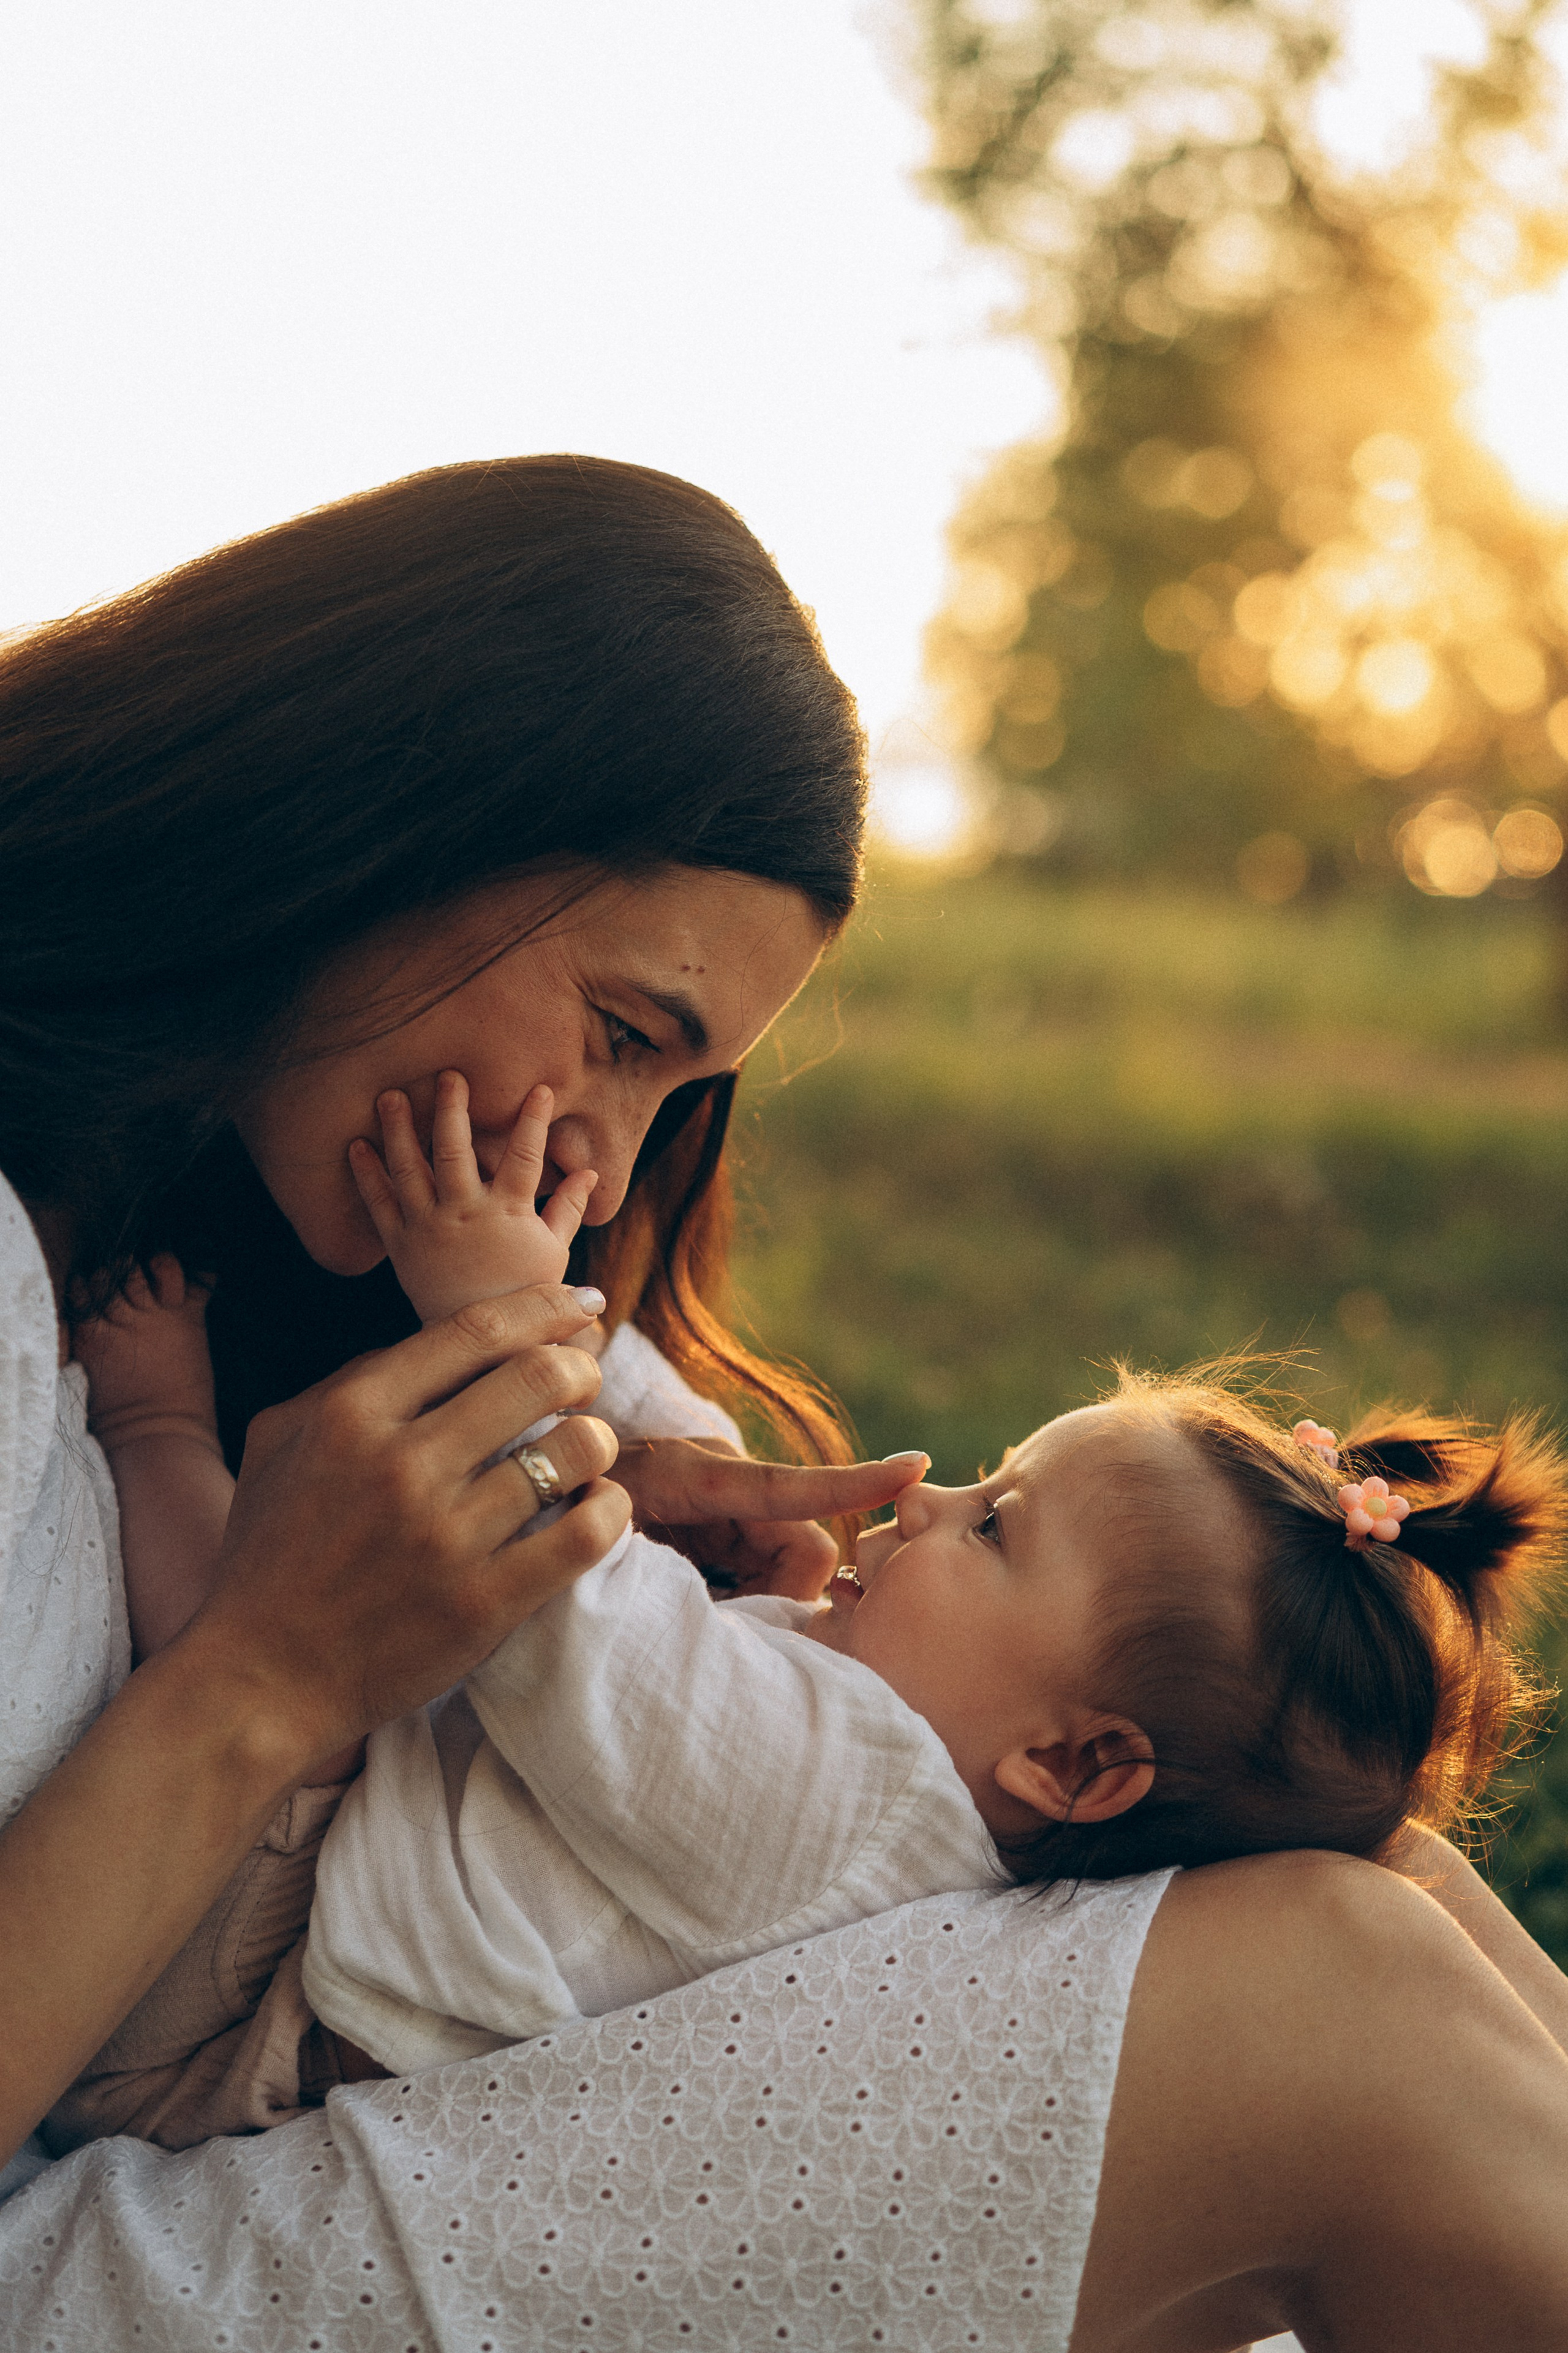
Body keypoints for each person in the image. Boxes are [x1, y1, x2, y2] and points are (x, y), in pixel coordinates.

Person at [0, 460, 1566, 2350]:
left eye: (679, 1092)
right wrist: (270, 1672)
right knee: (1342, 2007)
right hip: (102, 2204)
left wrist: (637, 1498)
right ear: (390, 825)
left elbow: (637, 1575)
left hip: (291, 2063)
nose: (602, 1159)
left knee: (1348, 1861)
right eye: (626, 1032)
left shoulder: (252, 1201)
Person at [51, 1063, 1566, 2126]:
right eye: (978, 1481)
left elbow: (558, 1623)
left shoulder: (848, 1792)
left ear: (1073, 1762)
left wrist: (492, 1310)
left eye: (988, 1531)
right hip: (300, 1940)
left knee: (260, 1639)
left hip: (237, 2002)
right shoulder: (906, 1786)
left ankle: (151, 1425)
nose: (921, 1500)